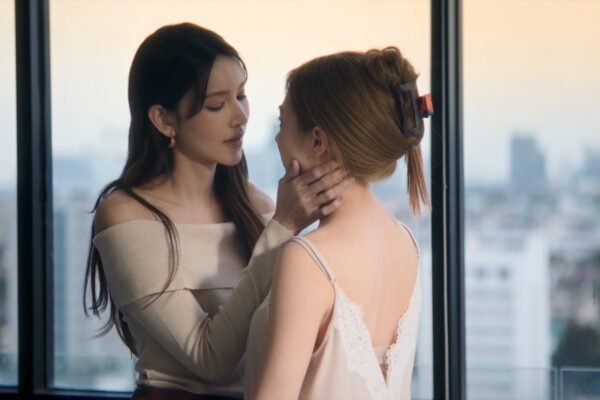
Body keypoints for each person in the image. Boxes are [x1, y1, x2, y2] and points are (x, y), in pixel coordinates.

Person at [83, 23, 352, 400]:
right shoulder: (125, 214)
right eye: (216, 104)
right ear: (164, 120)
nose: (240, 116)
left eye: (241, 95)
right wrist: (284, 227)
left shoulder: (257, 205)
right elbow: (210, 358)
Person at [245, 46, 432, 400]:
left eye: (282, 124)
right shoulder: (407, 244)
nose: (277, 139)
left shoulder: (308, 260)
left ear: (317, 141)